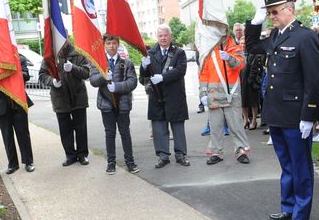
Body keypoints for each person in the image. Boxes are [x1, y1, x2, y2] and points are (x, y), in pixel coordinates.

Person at [261, 0, 319, 220]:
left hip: (295, 114)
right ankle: (288, 205)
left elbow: (312, 79)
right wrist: (254, 23)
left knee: (300, 165)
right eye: (269, 13)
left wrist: (308, 116)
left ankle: (301, 211)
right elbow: (254, 46)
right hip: (276, 112)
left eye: (274, 11)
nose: (271, 17)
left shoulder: (305, 37)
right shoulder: (276, 35)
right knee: (286, 163)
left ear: (289, 9)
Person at [140, 24, 190, 168]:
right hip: (156, 97)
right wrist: (144, 67)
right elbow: (143, 77)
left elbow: (181, 70)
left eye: (165, 35)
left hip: (175, 96)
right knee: (159, 128)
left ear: (170, 36)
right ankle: (163, 156)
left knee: (178, 127)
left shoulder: (179, 53)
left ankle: (181, 155)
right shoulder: (150, 54)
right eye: (160, 35)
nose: (163, 38)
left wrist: (163, 77)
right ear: (157, 37)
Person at [89, 34, 139, 174]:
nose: (112, 46)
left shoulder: (126, 63)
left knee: (125, 133)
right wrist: (103, 76)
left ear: (118, 44)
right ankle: (111, 162)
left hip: (122, 103)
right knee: (110, 134)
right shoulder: (98, 62)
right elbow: (93, 81)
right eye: (109, 43)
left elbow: (132, 82)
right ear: (104, 45)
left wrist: (116, 86)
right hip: (106, 103)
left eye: (114, 43)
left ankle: (130, 161)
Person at [198, 31, 250, 165]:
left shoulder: (235, 49)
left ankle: (241, 150)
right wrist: (203, 94)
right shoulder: (209, 52)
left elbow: (240, 65)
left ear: (227, 35)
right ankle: (216, 152)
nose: (220, 37)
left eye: (223, 34)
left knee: (236, 126)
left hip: (232, 95)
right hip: (214, 95)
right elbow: (203, 75)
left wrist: (229, 58)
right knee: (215, 127)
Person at [38, 42, 91, 167]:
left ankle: (82, 154)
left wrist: (73, 68)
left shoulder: (78, 52)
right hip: (60, 97)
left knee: (80, 128)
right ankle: (70, 155)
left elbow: (86, 72)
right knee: (65, 129)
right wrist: (52, 82)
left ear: (67, 38)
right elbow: (42, 74)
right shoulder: (49, 55)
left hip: (78, 96)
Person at [0, 55, 34, 174]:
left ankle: (28, 162)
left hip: (17, 103)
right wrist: (0, 75)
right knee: (7, 136)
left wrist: (12, 72)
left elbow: (26, 76)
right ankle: (12, 164)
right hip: (1, 106)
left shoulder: (20, 59)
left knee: (23, 134)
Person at [241, 19, 265, 130]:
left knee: (253, 101)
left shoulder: (254, 49)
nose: (243, 44)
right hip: (241, 78)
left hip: (251, 78)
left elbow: (256, 63)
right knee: (243, 100)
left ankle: (254, 120)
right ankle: (245, 119)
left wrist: (251, 78)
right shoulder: (240, 51)